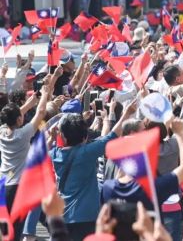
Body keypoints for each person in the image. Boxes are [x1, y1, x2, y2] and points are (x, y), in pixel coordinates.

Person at [52, 101, 137, 239]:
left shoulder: (55, 154)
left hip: (62, 216)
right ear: (85, 137)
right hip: (87, 216)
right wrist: (126, 114)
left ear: (63, 137)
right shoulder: (87, 152)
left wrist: (54, 136)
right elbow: (112, 136)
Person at [1, 69, 52, 241]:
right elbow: (41, 112)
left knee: (6, 231)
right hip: (18, 188)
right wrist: (45, 94)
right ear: (18, 120)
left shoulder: (2, 131)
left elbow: (14, 115)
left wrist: (30, 102)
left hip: (3, 184)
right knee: (16, 230)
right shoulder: (23, 134)